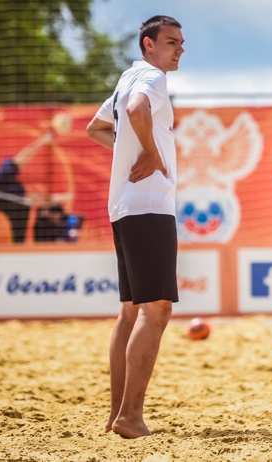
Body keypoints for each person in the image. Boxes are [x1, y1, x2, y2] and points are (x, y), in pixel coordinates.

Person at [86, 15, 184, 439]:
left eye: (181, 42)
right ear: (149, 44)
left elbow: (96, 128)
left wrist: (130, 150)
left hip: (124, 206)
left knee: (130, 310)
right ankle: (130, 416)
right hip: (148, 205)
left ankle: (117, 416)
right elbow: (136, 110)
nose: (180, 49)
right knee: (157, 309)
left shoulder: (126, 77)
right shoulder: (151, 77)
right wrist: (150, 152)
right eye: (171, 42)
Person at [0, 131, 53, 242]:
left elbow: (27, 197)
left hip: (19, 211)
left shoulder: (8, 182)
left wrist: (53, 199)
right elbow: (25, 156)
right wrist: (43, 140)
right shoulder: (3, 175)